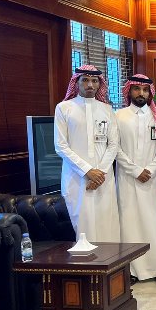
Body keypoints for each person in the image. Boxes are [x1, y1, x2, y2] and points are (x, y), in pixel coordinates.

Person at [115, 74, 156, 284]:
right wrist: (135, 170)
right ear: (129, 91)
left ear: (150, 93)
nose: (141, 93)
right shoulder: (118, 116)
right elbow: (114, 148)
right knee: (130, 223)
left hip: (153, 179)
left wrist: (150, 168)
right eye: (137, 89)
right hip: (128, 178)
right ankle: (132, 270)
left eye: (145, 90)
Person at [54, 65, 120, 241]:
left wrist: (100, 173)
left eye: (94, 81)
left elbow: (113, 145)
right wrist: (87, 171)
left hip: (103, 178)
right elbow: (61, 146)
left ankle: (109, 260)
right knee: (81, 226)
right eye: (85, 80)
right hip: (76, 178)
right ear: (77, 82)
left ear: (99, 84)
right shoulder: (64, 108)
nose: (90, 84)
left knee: (106, 224)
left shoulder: (107, 110)